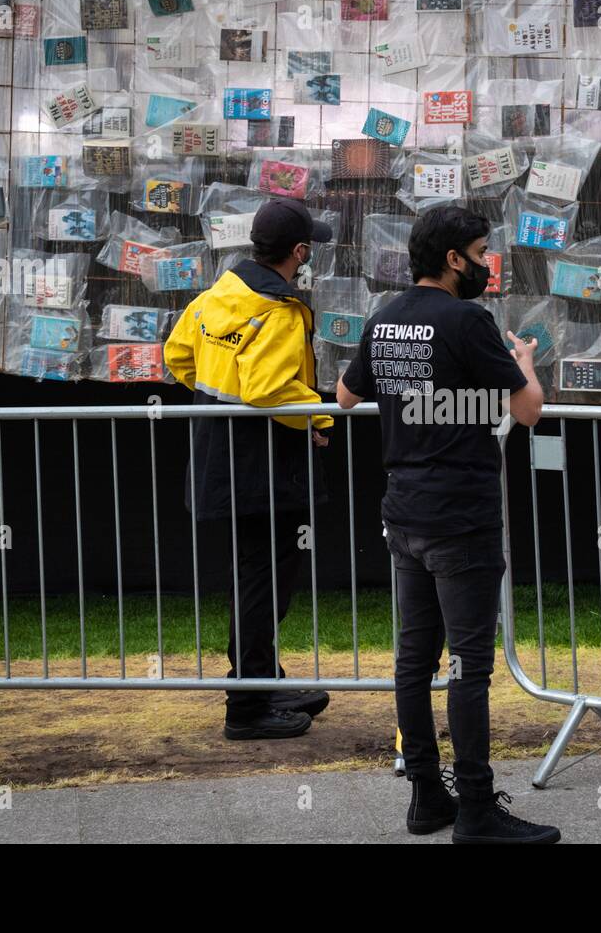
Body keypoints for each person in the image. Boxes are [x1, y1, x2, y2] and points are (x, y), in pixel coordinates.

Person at [336, 205, 559, 844]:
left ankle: (427, 799)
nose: (489, 264)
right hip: (460, 516)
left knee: (414, 660)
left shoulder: (385, 318)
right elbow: (530, 409)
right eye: (482, 251)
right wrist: (523, 361)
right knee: (467, 665)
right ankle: (478, 811)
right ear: (455, 258)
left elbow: (347, 396)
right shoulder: (468, 320)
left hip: (403, 511)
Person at [164, 197, 334, 740]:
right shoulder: (278, 308)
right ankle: (248, 708)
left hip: (221, 456)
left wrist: (220, 404)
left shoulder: (221, 293)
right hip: (263, 467)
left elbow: (177, 356)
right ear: (299, 252)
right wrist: (319, 419)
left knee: (253, 575)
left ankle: (259, 679)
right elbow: (266, 389)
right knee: (264, 580)